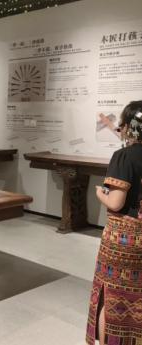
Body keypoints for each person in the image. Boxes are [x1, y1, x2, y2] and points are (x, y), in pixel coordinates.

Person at [86, 100, 142, 345]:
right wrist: (109, 124)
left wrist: (100, 193)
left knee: (111, 298)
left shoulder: (123, 157)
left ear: (129, 126)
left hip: (125, 240)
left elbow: (116, 202)